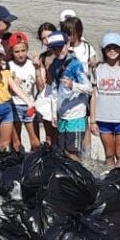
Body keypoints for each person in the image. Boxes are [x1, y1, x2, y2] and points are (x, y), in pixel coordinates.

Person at [45, 31, 91, 159]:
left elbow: (89, 88)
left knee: (73, 153)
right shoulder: (54, 65)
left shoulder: (76, 64)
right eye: (54, 49)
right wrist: (54, 113)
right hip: (62, 115)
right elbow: (54, 91)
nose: (58, 51)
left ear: (68, 44)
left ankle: (78, 177)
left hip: (76, 116)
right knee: (63, 151)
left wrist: (73, 86)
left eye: (60, 47)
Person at [93, 32, 120, 167]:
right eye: (109, 48)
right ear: (104, 50)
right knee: (109, 153)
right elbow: (94, 95)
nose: (112, 51)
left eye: (115, 47)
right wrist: (92, 121)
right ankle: (110, 182)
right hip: (103, 117)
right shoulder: (98, 69)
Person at [7, 31, 41, 150]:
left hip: (29, 106)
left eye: (23, 50)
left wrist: (37, 68)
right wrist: (10, 85)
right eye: (17, 51)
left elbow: (40, 87)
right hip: (14, 105)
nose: (20, 54)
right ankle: (18, 166)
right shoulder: (9, 65)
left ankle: (34, 164)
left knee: (36, 142)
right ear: (11, 51)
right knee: (16, 143)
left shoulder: (32, 64)